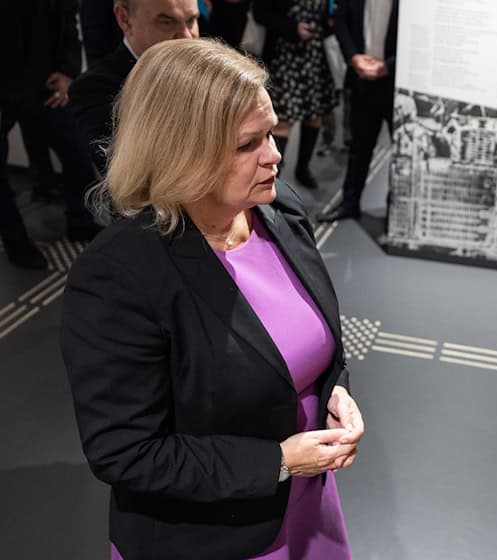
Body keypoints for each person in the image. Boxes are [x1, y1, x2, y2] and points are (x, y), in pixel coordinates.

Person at [61, 39, 362, 559]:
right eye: (248, 144)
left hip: (307, 503)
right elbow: (126, 452)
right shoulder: (120, 276)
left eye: (270, 132)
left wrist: (337, 392)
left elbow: (316, 343)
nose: (274, 155)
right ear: (182, 151)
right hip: (210, 535)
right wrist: (278, 462)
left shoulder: (278, 209)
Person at [0, 0, 101, 269]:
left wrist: (69, 74)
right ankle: (17, 244)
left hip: (43, 84)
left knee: (79, 156)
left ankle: (80, 222)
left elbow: (69, 23)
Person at [71, 0, 200, 175]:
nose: (186, 36)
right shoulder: (93, 89)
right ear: (124, 19)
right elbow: (129, 177)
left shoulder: (210, 67)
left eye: (191, 20)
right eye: (167, 22)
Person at [317, 0, 398, 222]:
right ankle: (349, 205)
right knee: (359, 148)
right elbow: (341, 22)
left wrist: (388, 66)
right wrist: (353, 57)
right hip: (362, 79)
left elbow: (417, 36)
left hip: (397, 85)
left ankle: (396, 211)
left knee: (402, 151)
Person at [252, 0, 337, 190]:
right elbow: (261, 13)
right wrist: (292, 28)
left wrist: (328, 24)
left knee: (314, 117)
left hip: (315, 58)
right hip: (286, 57)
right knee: (283, 122)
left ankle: (303, 168)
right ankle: (274, 176)